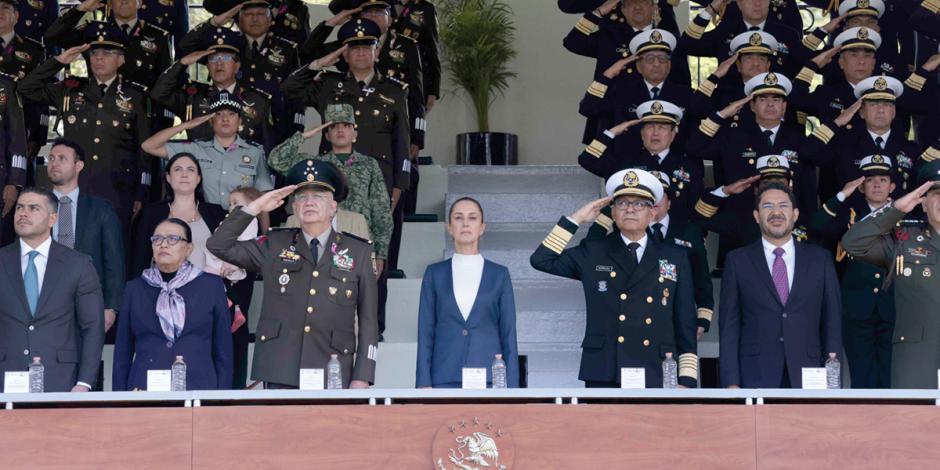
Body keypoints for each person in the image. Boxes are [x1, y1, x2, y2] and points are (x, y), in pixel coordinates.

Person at [283, 17, 410, 339]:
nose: (360, 53)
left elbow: (401, 142)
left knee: (375, 265)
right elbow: (290, 88)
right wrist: (321, 63)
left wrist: (399, 186)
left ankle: (373, 328)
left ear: (376, 51)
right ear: (345, 52)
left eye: (366, 47)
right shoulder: (329, 85)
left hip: (376, 188)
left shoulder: (394, 90)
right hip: (331, 185)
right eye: (352, 48)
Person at [207, 159, 378, 389]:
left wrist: (363, 376)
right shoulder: (275, 244)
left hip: (333, 368)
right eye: (301, 197)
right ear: (294, 208)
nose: (309, 202)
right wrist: (255, 207)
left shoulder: (358, 251)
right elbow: (218, 245)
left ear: (333, 206)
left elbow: (368, 321)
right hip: (280, 368)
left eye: (318, 196)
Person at [530, 168, 698, 388]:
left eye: (639, 204)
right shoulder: (594, 250)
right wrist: (577, 218)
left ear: (652, 213)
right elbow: (542, 260)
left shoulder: (674, 256)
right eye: (622, 203)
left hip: (656, 367)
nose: (630, 209)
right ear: (613, 213)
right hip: (605, 368)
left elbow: (685, 320)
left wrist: (686, 379)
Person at [19, 23, 152, 225]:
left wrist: (141, 193)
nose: (99, 58)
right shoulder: (70, 90)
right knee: (70, 246)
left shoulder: (136, 96)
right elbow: (25, 88)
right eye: (94, 53)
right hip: (73, 188)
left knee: (114, 251)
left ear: (121, 59)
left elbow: (144, 150)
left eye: (107, 53)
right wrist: (59, 61)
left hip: (117, 189)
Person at [719, 182, 842, 388]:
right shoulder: (737, 261)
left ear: (795, 214)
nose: (776, 212)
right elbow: (729, 326)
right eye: (767, 206)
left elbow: (832, 323)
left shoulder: (820, 259)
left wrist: (833, 381)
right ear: (756, 216)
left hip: (810, 374)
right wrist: (731, 383)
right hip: (755, 373)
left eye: (783, 206)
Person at [268, 103, 393, 307]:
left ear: (355, 133)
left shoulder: (369, 165)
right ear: (326, 134)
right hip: (321, 236)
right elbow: (276, 160)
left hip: (357, 236)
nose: (340, 130)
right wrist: (305, 135)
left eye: (346, 125)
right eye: (334, 126)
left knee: (357, 301)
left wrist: (380, 254)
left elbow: (381, 211)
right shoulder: (317, 165)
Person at [842, 161, 940, 388]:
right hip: (917, 363)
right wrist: (896, 208)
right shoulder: (903, 241)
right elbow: (853, 243)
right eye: (936, 194)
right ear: (923, 203)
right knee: (911, 423)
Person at [0, 187, 104, 392]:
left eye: (33, 208)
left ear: (52, 219)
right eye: (20, 207)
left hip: (61, 378)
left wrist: (84, 383)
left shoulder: (78, 264)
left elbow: (93, 327)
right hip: (6, 377)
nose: (23, 213)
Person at [113, 218, 233, 391]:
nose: (163, 245)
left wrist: (222, 399)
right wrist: (120, 400)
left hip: (199, 387)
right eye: (157, 239)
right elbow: (122, 352)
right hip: (143, 390)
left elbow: (223, 349)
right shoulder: (135, 288)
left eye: (173, 239)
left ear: (189, 249)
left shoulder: (210, 286)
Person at [810, 157, 897, 388]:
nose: (877, 185)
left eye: (883, 179)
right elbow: (816, 226)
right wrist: (841, 195)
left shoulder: (904, 214)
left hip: (895, 307)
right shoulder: (849, 214)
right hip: (856, 307)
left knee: (893, 376)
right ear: (861, 186)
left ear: (892, 186)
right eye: (870, 180)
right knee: (862, 375)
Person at [416, 197, 519, 388]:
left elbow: (508, 333)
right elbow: (425, 331)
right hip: (444, 377)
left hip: (491, 379)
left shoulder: (499, 274)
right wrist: (423, 382)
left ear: (482, 228)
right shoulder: (434, 274)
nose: (465, 224)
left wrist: (512, 387)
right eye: (458, 218)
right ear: (449, 227)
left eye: (472, 218)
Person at [140, 92, 274, 214]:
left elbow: (263, 197)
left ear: (239, 121)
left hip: (242, 222)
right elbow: (148, 146)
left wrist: (264, 235)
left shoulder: (255, 152)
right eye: (219, 114)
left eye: (231, 114)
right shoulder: (197, 148)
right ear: (211, 121)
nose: (225, 119)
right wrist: (184, 126)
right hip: (205, 219)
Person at [151, 27, 275, 151]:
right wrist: (182, 63)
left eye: (226, 58)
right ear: (208, 67)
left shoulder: (258, 100)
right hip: (201, 167)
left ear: (237, 66)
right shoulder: (193, 96)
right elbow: (158, 94)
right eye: (213, 58)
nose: (219, 63)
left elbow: (267, 146)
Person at [46, 138, 124, 335]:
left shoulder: (101, 209)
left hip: (88, 301)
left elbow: (114, 261)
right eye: (52, 158)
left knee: (86, 363)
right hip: (43, 301)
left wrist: (111, 307)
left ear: (78, 165)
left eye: (62, 158)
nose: (54, 163)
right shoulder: (35, 206)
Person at [132, 152, 227, 277]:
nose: (184, 174)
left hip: (207, 291)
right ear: (168, 177)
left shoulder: (216, 213)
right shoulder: (151, 213)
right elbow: (139, 259)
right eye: (178, 169)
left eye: (190, 170)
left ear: (198, 178)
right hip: (162, 292)